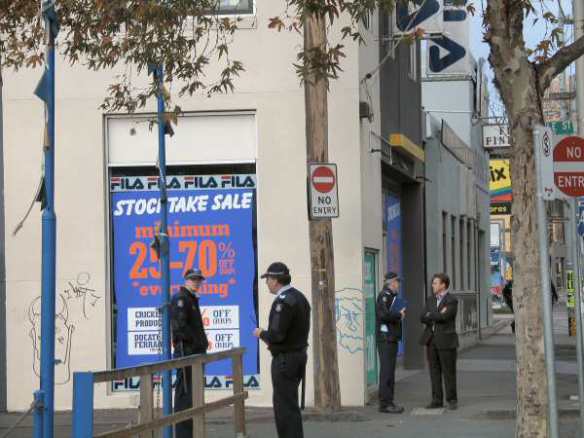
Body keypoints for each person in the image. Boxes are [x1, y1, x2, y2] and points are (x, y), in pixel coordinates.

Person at [253, 262, 310, 438]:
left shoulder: (283, 302)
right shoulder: (300, 297)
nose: (266, 283)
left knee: (284, 408)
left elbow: (277, 335)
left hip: (285, 360)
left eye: (268, 279)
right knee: (290, 406)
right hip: (298, 356)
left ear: (276, 280)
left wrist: (261, 333)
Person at [170, 269, 209, 438]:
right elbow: (180, 327)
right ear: (186, 280)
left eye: (198, 279)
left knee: (193, 398)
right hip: (186, 354)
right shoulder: (181, 298)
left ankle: (191, 433)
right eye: (193, 279)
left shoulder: (191, 299)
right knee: (184, 397)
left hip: (194, 354)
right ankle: (183, 435)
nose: (196, 282)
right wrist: (196, 343)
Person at [419, 273, 459, 410]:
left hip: (447, 340)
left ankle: (452, 400)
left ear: (443, 285)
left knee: (449, 371)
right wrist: (435, 314)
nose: (432, 285)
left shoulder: (451, 300)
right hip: (431, 340)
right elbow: (422, 317)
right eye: (432, 283)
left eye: (435, 283)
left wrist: (432, 314)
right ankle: (436, 400)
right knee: (434, 371)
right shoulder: (430, 299)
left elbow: (445, 317)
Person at [375, 272, 406, 414]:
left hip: (391, 338)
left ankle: (389, 401)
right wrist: (399, 315)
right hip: (386, 339)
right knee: (386, 372)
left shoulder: (392, 297)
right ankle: (385, 403)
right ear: (391, 283)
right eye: (396, 282)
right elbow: (383, 315)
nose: (398, 284)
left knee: (390, 372)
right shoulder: (384, 296)